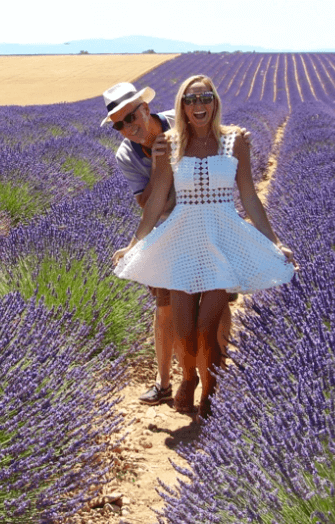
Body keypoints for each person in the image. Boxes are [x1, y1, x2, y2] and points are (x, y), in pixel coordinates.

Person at [112, 75, 296, 421]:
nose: (199, 105)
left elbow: (249, 197)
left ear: (215, 102)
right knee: (183, 326)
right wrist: (133, 244)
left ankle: (210, 390)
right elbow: (154, 203)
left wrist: (275, 243)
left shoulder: (235, 140)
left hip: (220, 236)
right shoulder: (168, 144)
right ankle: (188, 378)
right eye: (191, 100)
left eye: (205, 98)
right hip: (182, 236)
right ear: (181, 106)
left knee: (206, 325)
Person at [101, 82, 237, 406]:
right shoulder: (127, 155)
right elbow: (147, 202)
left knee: (218, 303)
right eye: (119, 125)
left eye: (131, 117)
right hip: (167, 231)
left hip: (209, 222)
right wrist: (158, 164)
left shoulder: (180, 124)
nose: (128, 128)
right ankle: (165, 383)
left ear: (145, 109)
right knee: (166, 309)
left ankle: (218, 377)